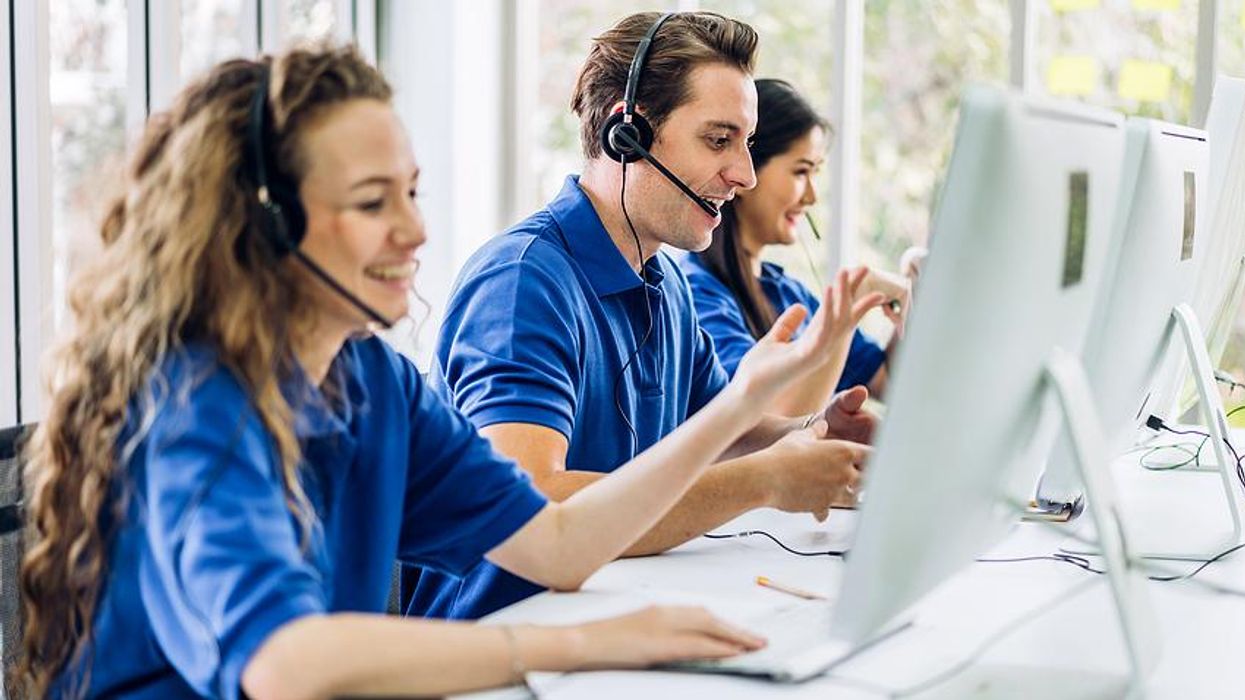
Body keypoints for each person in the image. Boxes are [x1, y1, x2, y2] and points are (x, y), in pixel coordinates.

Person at [15, 46, 870, 700]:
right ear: (265, 228)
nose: (416, 231)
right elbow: (285, 661)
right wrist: (575, 644)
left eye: (412, 192)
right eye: (372, 201)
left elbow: (556, 544)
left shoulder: (374, 383)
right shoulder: (196, 407)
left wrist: (741, 405)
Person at [407, 11, 884, 622]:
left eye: (746, 144)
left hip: (615, 616)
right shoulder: (523, 283)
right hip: (502, 640)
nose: (742, 175)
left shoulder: (668, 286)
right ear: (624, 135)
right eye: (718, 141)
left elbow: (721, 435)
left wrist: (809, 436)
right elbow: (535, 502)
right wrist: (768, 481)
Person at [682, 78, 913, 414]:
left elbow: (889, 382)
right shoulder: (698, 296)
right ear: (746, 170)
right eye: (801, 172)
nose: (811, 197)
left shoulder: (790, 293)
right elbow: (761, 424)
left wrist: (914, 295)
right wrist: (848, 308)